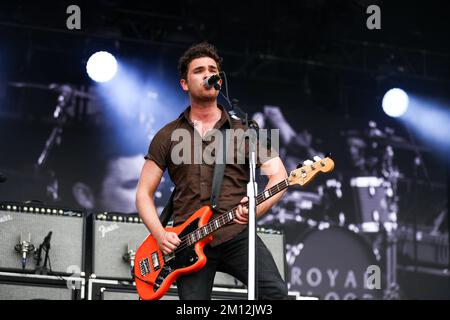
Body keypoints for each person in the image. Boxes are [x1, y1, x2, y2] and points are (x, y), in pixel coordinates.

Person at [135, 42, 289, 300]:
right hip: (187, 241)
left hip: (236, 234)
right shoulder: (168, 135)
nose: (208, 74)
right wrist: (160, 235)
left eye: (212, 69)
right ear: (184, 83)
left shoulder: (244, 131)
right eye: (199, 70)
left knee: (275, 294)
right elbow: (143, 194)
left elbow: (280, 176)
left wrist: (254, 209)